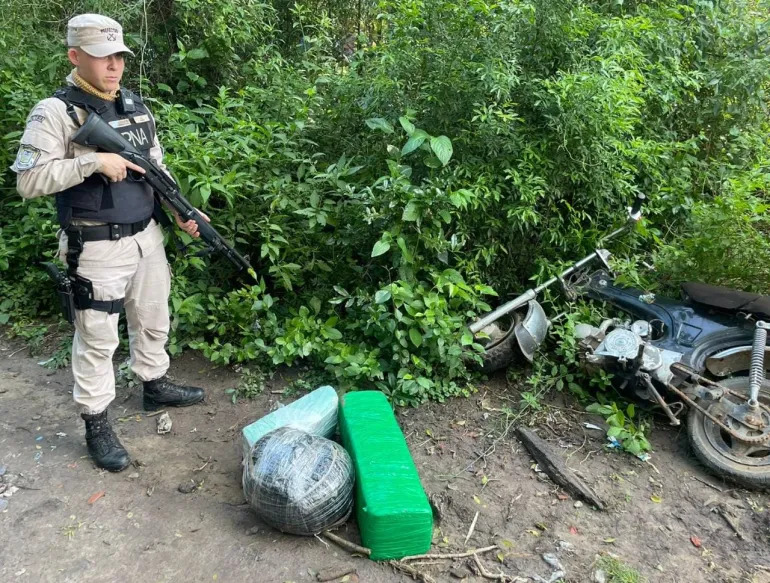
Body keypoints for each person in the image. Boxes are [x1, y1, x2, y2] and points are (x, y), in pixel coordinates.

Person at [11, 14, 207, 472]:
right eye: (103, 57)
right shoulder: (54, 112)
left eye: (119, 55)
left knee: (154, 317)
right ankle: (96, 422)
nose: (114, 66)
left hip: (147, 237)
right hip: (95, 245)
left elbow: (157, 168)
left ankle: (154, 383)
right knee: (97, 338)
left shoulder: (136, 106)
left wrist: (183, 210)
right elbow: (27, 180)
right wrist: (93, 162)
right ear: (75, 57)